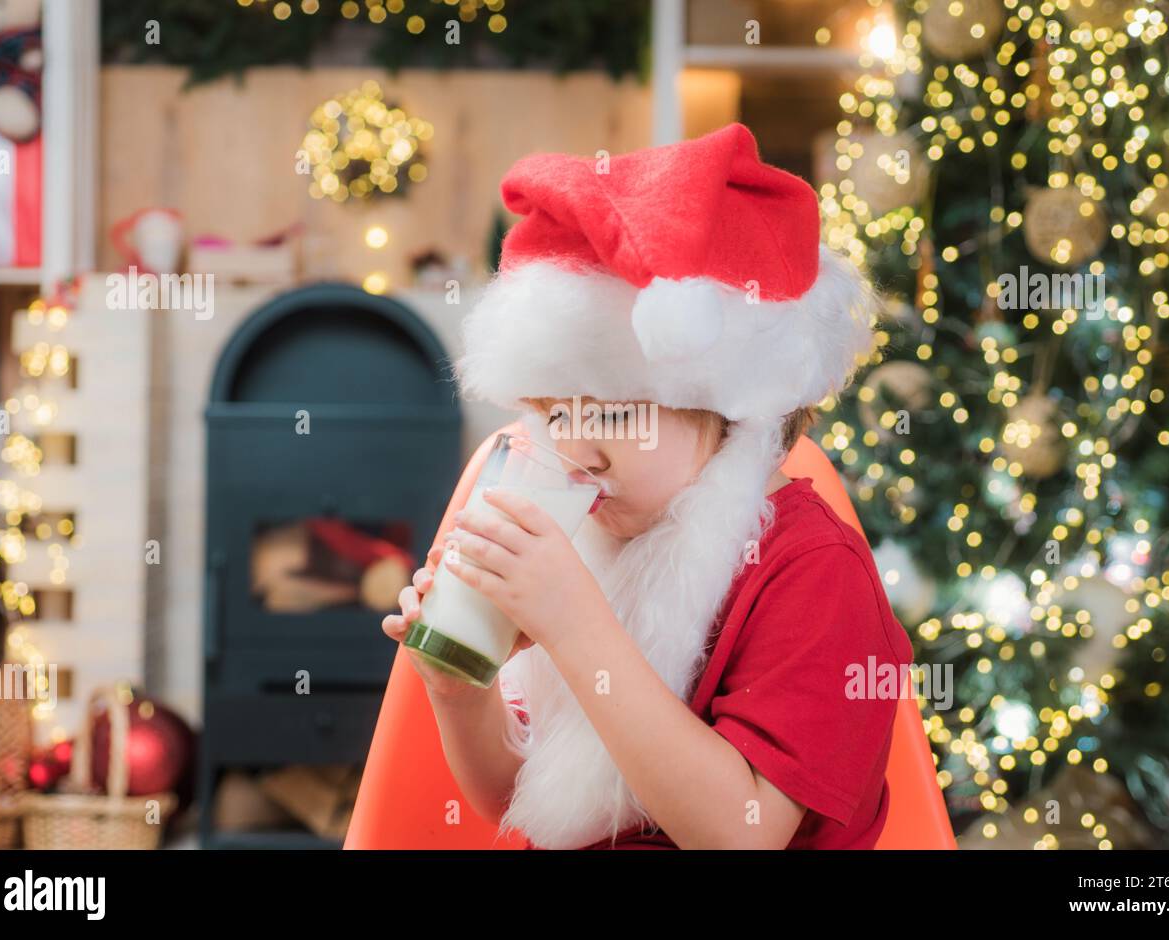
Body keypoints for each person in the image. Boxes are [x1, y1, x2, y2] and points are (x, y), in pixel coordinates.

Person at [381, 123, 914, 849]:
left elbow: (741, 834)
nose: (577, 452)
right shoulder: (598, 537)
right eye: (554, 413)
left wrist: (575, 625)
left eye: (613, 414)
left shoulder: (814, 573)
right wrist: (460, 693)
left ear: (729, 407)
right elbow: (516, 802)